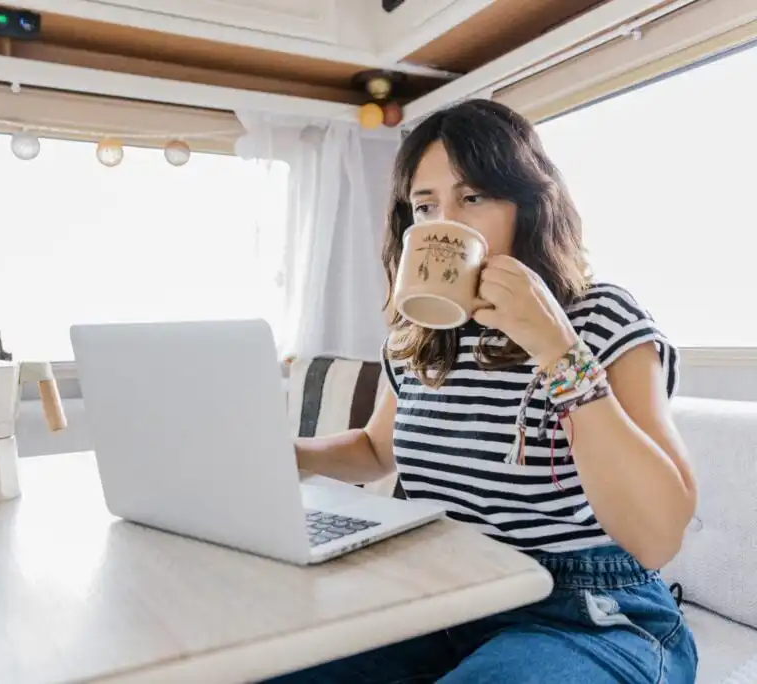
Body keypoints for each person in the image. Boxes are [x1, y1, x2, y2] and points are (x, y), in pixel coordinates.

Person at [267, 99, 698, 683]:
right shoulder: (415, 336)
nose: (446, 222)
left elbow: (657, 536)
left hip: (587, 612)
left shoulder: (600, 318)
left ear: (527, 203)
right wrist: (278, 455)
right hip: (443, 597)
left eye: (472, 198)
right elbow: (375, 449)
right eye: (426, 205)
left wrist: (557, 351)